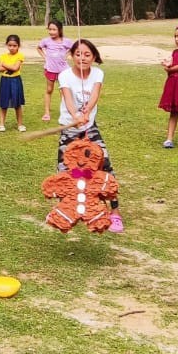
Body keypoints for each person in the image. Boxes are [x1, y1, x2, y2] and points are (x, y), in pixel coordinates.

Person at [56, 38, 123, 232]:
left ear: (94, 56)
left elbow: (94, 95)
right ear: (72, 56)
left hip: (89, 129)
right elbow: (67, 98)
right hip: (68, 128)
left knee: (105, 164)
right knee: (65, 170)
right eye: (78, 54)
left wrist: (86, 114)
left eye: (87, 55)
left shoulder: (98, 73)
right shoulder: (64, 75)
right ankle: (65, 212)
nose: (82, 58)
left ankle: (115, 213)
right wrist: (75, 115)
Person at [36, 20, 75, 121]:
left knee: (63, 91)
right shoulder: (46, 41)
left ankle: (66, 112)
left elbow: (74, 48)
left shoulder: (66, 41)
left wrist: (67, 55)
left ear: (60, 30)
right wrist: (45, 57)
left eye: (54, 29)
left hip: (63, 70)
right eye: (50, 29)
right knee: (49, 90)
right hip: (50, 69)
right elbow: (39, 48)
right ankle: (47, 113)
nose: (51, 32)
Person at [0, 34, 26, 132]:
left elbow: (15, 68)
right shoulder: (3, 56)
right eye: (10, 45)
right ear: (6, 45)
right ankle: (1, 124)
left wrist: (4, 64)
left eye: (14, 46)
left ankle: (20, 124)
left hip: (15, 80)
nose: (12, 48)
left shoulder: (20, 56)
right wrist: (9, 66)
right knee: (3, 103)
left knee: (17, 104)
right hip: (5, 81)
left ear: (18, 46)